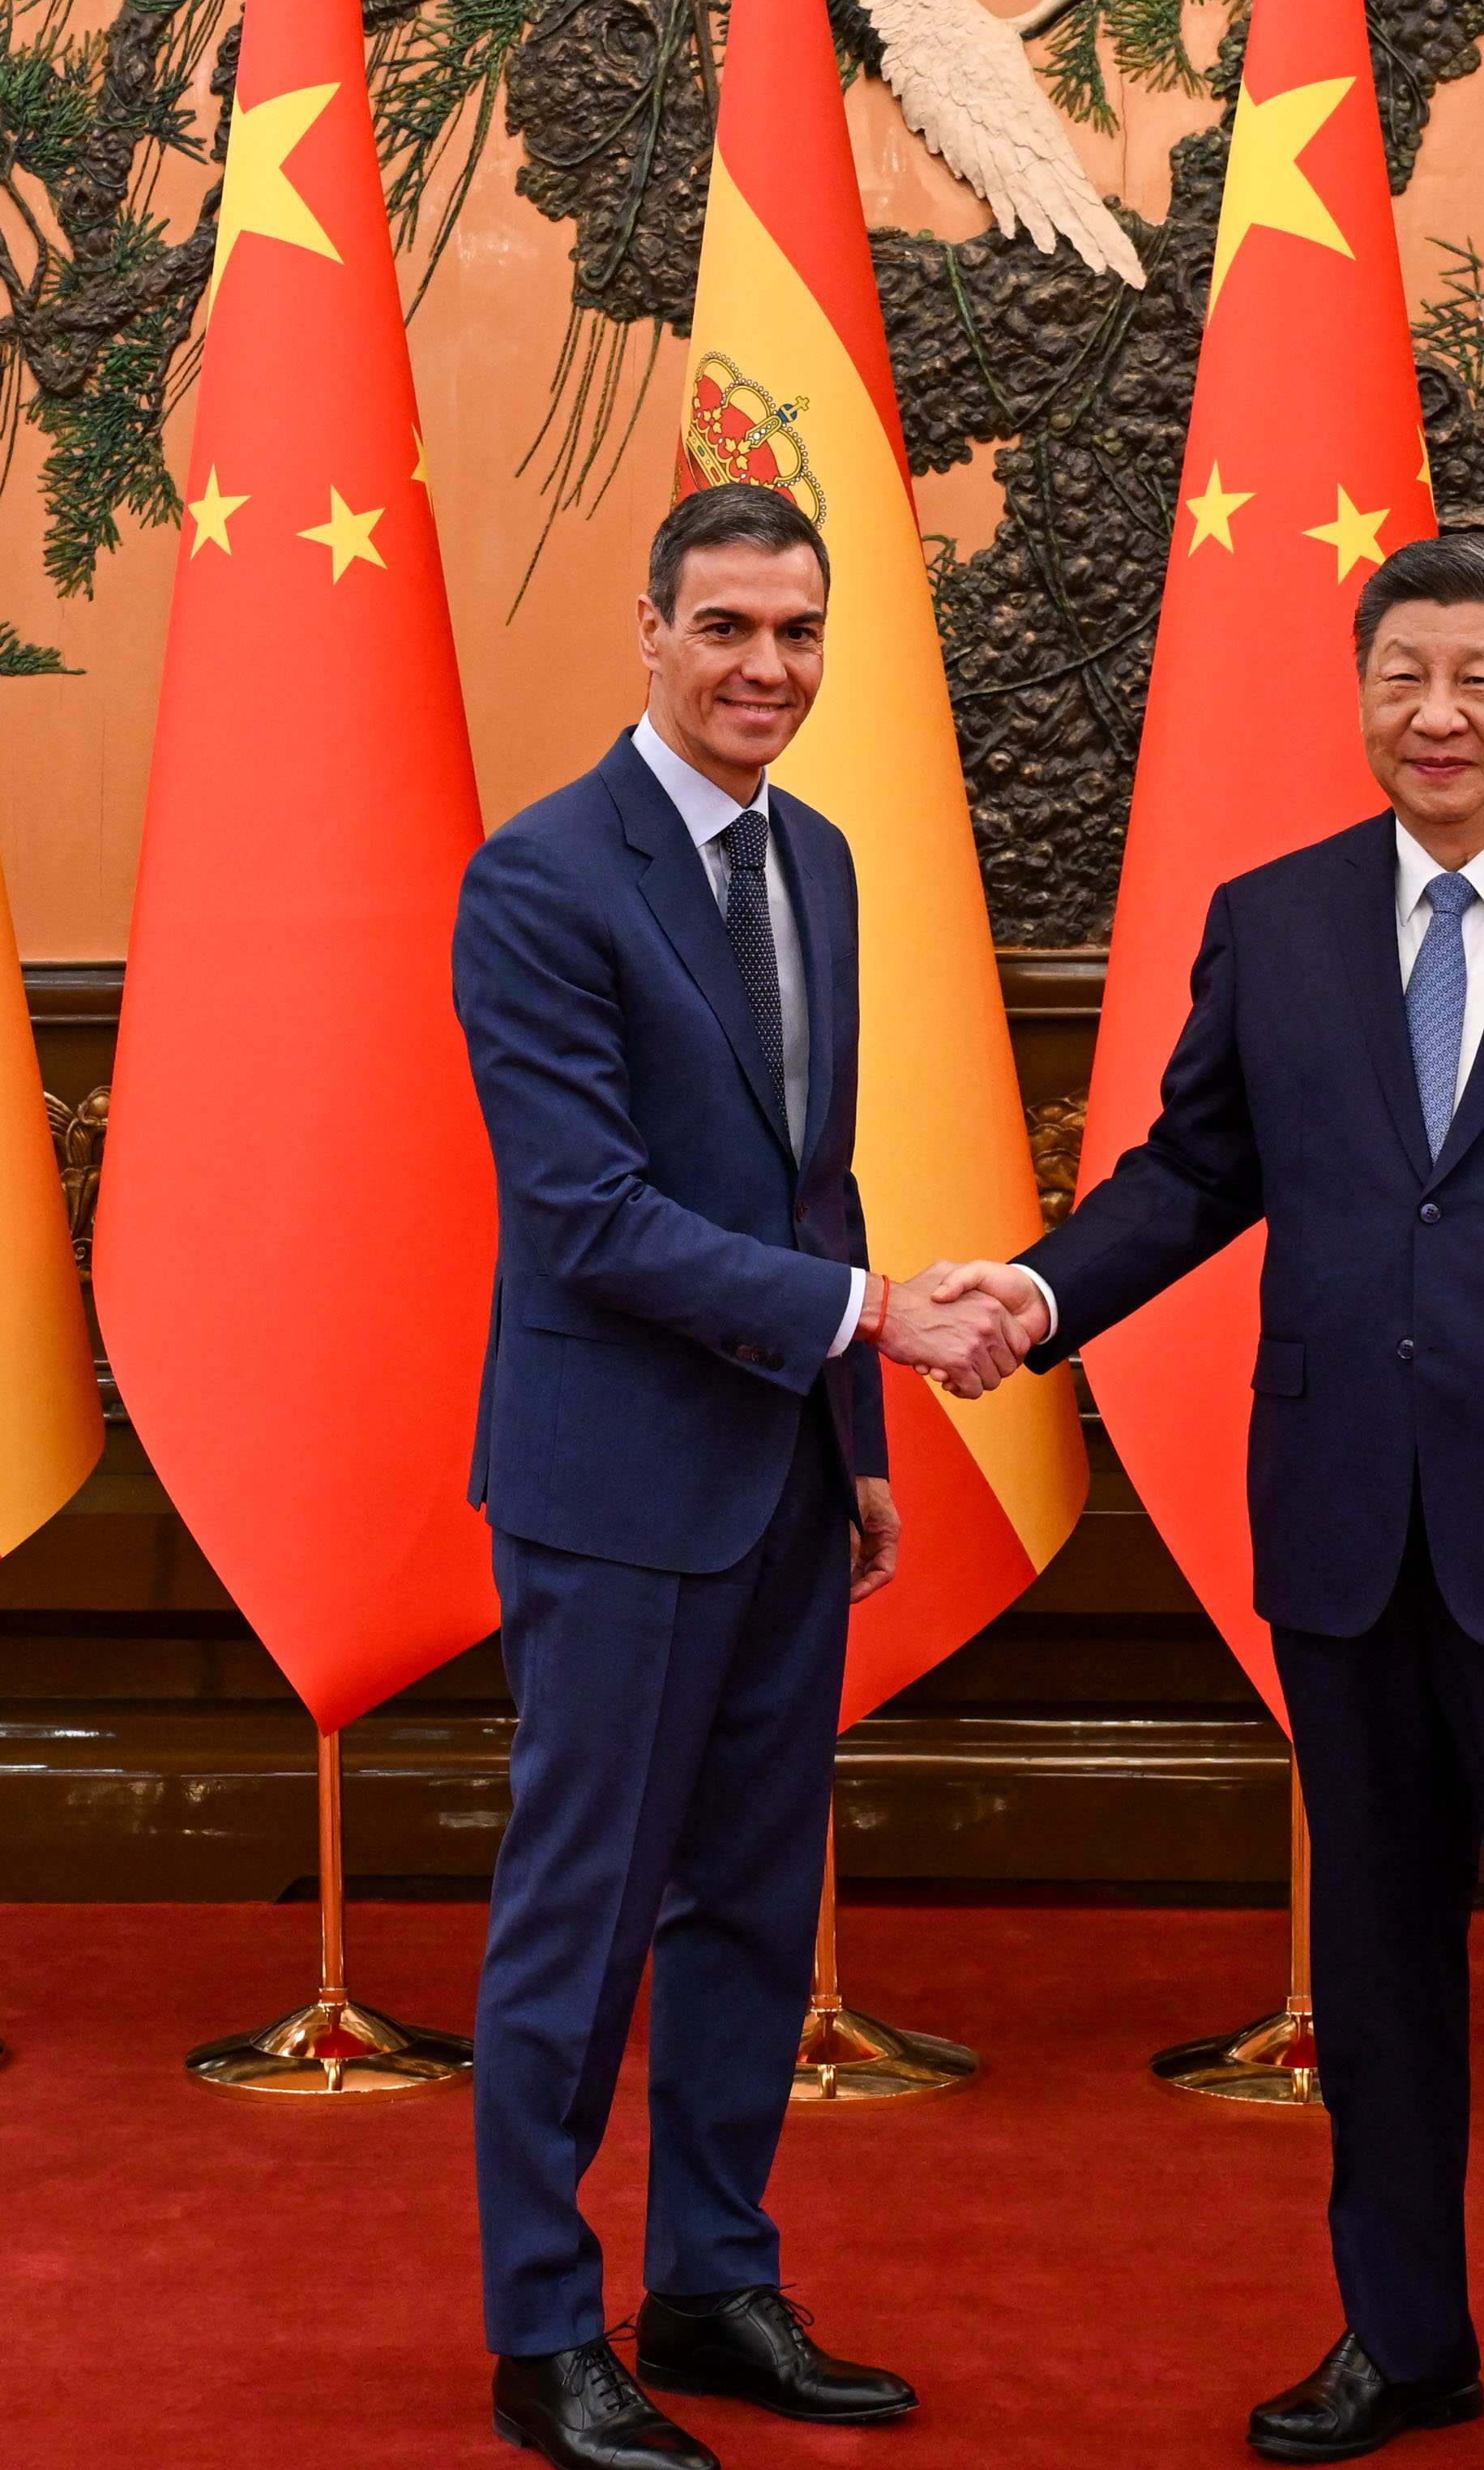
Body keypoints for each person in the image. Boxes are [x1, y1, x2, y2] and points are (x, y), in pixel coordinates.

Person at [930, 533, 1484, 2470]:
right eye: (1402, 675)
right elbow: (1193, 1170)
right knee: (1375, 1968)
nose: (1436, 716)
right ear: (1359, 694)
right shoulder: (1280, 919)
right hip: (1346, 1519)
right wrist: (1044, 1285)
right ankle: (1401, 2339)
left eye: (1478, 678)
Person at [452, 481, 1024, 2470]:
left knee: (757, 1912)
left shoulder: (829, 863)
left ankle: (709, 2281)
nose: (765, 669)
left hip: (784, 1476)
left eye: (796, 633)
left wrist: (855, 1446)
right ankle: (546, 2334)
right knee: (583, 1915)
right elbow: (588, 1218)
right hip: (611, 1490)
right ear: (650, 629)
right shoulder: (538, 881)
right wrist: (874, 1320)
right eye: (726, 630)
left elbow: (808, 1177)